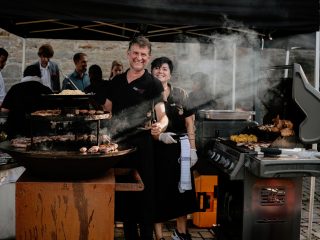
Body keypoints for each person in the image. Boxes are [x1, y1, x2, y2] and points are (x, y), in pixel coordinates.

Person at [100, 36, 168, 240]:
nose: (139, 58)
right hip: (118, 148)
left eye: (143, 55)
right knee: (124, 196)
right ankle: (129, 234)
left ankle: (146, 236)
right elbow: (107, 111)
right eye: (136, 53)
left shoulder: (153, 83)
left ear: (148, 58)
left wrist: (160, 126)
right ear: (128, 54)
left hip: (143, 147)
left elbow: (163, 115)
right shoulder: (116, 82)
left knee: (145, 196)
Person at [151, 57, 198, 240]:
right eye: (156, 68)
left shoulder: (180, 94)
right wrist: (159, 136)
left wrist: (193, 149)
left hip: (181, 150)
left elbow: (189, 123)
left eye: (164, 69)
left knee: (182, 193)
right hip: (158, 151)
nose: (160, 71)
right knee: (159, 193)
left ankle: (181, 233)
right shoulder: (148, 94)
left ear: (170, 73)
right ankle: (159, 236)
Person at [1, 65, 53, 139]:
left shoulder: (15, 88)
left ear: (24, 75)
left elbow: (5, 109)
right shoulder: (46, 90)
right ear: (39, 76)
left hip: (16, 129)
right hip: (40, 131)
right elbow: (54, 110)